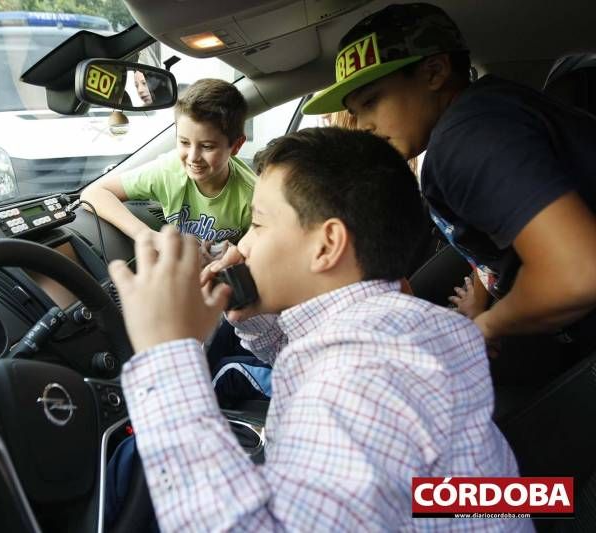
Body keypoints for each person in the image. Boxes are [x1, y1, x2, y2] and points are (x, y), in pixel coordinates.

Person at [107, 127, 528, 531]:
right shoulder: (390, 327)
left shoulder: (359, 380)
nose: (242, 245)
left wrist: (166, 355)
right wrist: (253, 313)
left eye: (257, 224)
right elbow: (303, 356)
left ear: (327, 246)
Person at [301, 3, 596, 361]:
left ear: (434, 73)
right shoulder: (475, 118)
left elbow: (579, 272)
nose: (362, 124)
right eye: (355, 111)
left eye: (372, 101)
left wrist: (487, 327)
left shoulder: (466, 139)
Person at [81, 78, 256, 263]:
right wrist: (148, 236)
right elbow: (92, 194)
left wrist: (236, 257)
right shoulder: (168, 170)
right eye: (184, 142)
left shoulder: (252, 194)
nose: (193, 157)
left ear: (236, 146)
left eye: (207, 146)